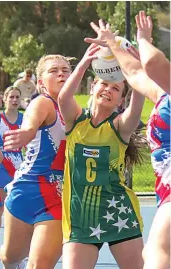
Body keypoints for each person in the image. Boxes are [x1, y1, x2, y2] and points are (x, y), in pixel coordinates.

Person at [84, 11, 170, 269]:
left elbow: (153, 64)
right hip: (165, 189)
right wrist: (122, 42)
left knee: (156, 253)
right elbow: (134, 73)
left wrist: (141, 42)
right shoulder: (162, 97)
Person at [58, 39, 145, 268]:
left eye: (115, 88)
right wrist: (84, 64)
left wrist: (135, 69)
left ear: (121, 100)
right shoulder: (76, 121)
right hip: (80, 217)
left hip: (117, 211)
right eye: (104, 84)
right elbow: (63, 98)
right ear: (93, 86)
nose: (108, 89)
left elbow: (137, 106)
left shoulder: (120, 126)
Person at [1, 54, 72, 269]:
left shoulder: (78, 111)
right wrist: (28, 132)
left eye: (65, 70)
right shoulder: (43, 102)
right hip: (27, 190)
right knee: (10, 258)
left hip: (58, 196)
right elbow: (31, 118)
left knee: (39, 264)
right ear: (40, 82)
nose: (61, 73)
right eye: (53, 70)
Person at [0, 86, 23, 260]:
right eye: (11, 96)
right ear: (5, 99)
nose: (14, 100)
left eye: (17, 97)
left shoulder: (26, 118)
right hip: (0, 165)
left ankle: (12, 248)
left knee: (14, 210)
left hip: (19, 167)